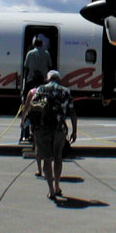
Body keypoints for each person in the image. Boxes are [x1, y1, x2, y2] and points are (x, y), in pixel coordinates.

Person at [33, 70, 77, 200]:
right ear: (59, 79)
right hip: (59, 129)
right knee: (58, 157)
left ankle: (51, 189)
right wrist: (74, 131)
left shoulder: (41, 89)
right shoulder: (66, 91)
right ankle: (57, 185)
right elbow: (72, 113)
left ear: (47, 79)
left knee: (47, 159)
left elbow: (35, 108)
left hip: (43, 128)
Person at [20, 86, 43, 176]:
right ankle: (46, 166)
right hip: (45, 120)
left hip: (35, 120)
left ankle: (39, 169)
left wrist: (22, 120)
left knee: (37, 144)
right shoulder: (47, 91)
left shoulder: (32, 92)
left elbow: (26, 107)